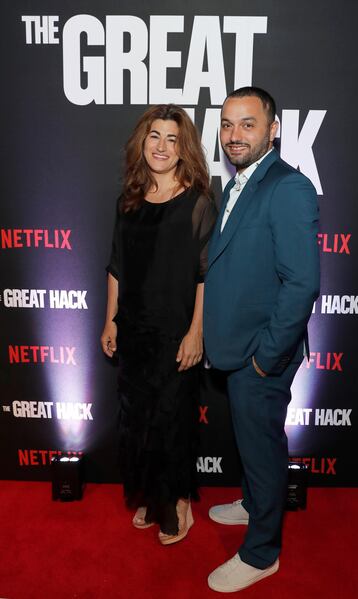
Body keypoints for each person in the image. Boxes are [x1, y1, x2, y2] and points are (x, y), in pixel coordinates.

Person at [204, 87, 320, 592]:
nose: (234, 135)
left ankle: (261, 552)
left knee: (264, 449)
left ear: (274, 129)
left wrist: (265, 359)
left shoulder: (287, 187)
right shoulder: (235, 186)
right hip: (236, 347)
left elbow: (302, 283)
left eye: (248, 124)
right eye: (227, 125)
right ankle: (253, 502)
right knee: (254, 444)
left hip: (261, 353)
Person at [101, 104, 216, 545]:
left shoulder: (198, 202)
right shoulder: (128, 200)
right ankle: (152, 491)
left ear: (183, 147)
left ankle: (179, 499)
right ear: (142, 141)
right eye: (154, 136)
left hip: (175, 331)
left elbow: (207, 274)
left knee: (172, 420)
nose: (162, 146)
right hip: (134, 331)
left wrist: (196, 331)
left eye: (172, 138)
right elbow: (115, 267)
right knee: (139, 419)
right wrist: (110, 321)